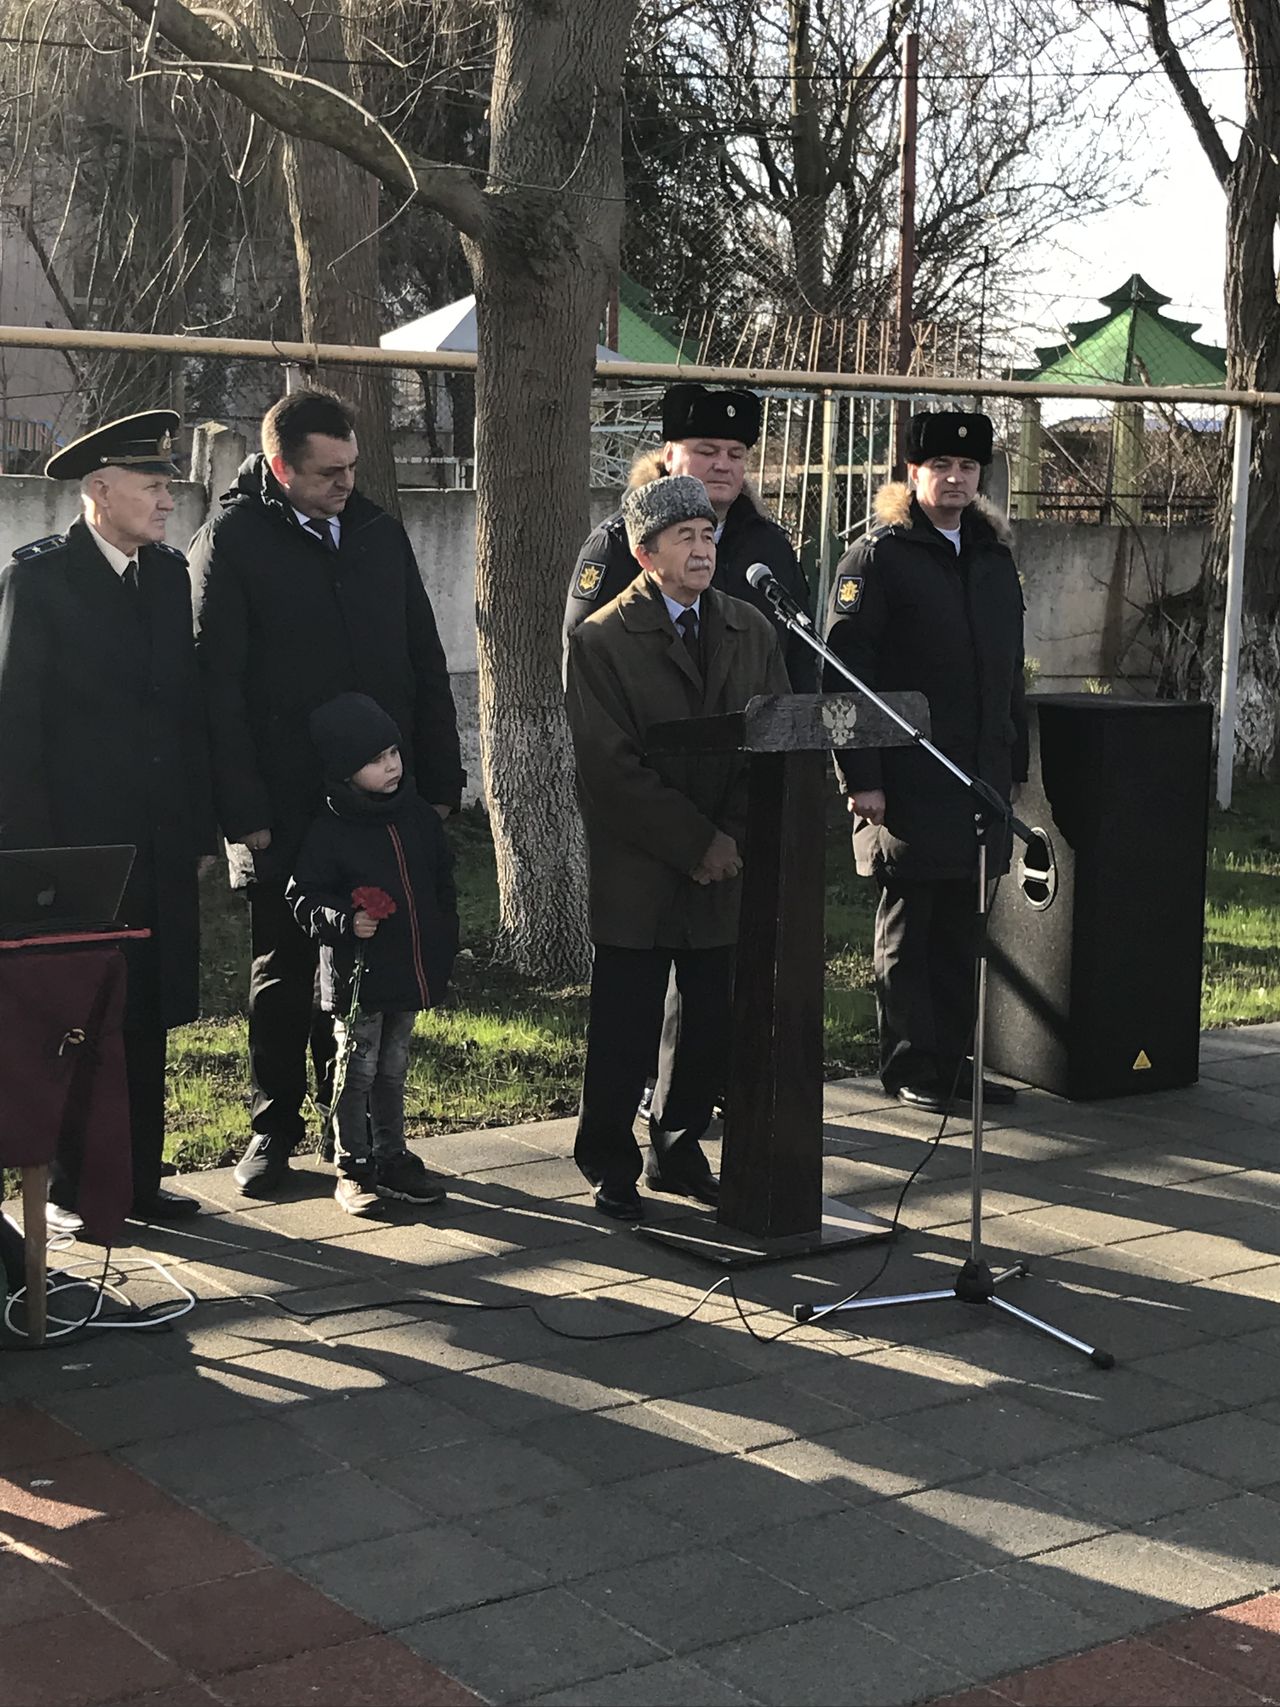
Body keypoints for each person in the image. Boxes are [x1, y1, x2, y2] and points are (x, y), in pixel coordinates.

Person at [191, 389, 464, 1199]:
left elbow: (424, 655)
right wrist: (247, 818)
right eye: (328, 471)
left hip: (383, 803)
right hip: (287, 807)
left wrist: (438, 782)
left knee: (370, 977)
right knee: (286, 966)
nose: (346, 482)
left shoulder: (377, 532)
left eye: (352, 466)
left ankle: (371, 1143)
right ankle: (274, 1128)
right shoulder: (233, 541)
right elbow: (219, 693)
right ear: (281, 467)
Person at [0, 411, 215, 1225]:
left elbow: (180, 713)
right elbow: (16, 728)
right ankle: (67, 1183)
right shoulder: (40, 581)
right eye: (153, 484)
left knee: (147, 1004)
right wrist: (28, 854)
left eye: (168, 484)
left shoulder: (163, 576)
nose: (168, 499)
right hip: (74, 848)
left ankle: (137, 1175)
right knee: (74, 1015)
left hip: (154, 841)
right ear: (99, 490)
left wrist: (195, 831)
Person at [565, 475, 789, 1220]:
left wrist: (730, 838)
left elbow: (773, 738)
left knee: (707, 1021)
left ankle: (679, 1145)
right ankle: (609, 1159)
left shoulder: (751, 629)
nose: (702, 547)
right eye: (683, 537)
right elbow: (610, 769)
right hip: (642, 864)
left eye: (707, 533)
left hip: (726, 861)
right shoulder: (600, 639)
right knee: (626, 1021)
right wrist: (696, 842)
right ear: (644, 551)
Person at [825, 410, 1027, 1115]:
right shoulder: (878, 557)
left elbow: (1009, 675)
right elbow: (844, 677)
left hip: (979, 775)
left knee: (963, 929)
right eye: (939, 466)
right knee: (912, 925)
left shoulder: (993, 557)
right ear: (912, 473)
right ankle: (911, 1064)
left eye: (968, 468)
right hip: (908, 779)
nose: (954, 478)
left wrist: (1016, 766)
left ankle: (954, 1062)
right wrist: (864, 779)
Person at [286, 693, 457, 1216]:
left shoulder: (418, 819)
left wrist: (441, 949)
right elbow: (302, 896)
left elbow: (441, 887)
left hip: (407, 971)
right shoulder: (329, 831)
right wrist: (343, 921)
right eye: (376, 760)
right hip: (358, 978)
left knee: (393, 1067)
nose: (392, 767)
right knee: (355, 1069)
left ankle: (392, 1156)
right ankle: (351, 1165)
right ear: (344, 769)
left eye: (394, 754)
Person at [565, 382, 816, 690]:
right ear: (669, 456)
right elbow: (584, 658)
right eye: (706, 451)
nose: (722, 465)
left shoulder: (770, 548)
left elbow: (798, 661)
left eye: (735, 454)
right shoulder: (621, 542)